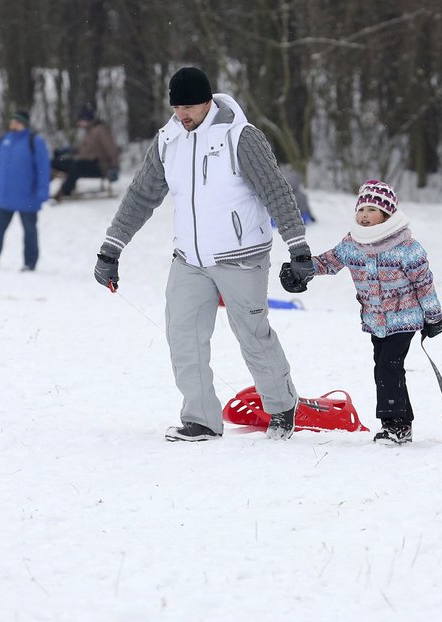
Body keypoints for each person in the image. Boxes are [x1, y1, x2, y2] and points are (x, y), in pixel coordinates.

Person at [93, 66, 314, 442]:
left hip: (241, 256)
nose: (182, 114)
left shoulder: (240, 136)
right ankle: (201, 420)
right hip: (190, 259)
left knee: (252, 334)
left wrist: (298, 248)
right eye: (177, 107)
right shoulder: (168, 140)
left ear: (208, 102)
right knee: (183, 336)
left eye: (190, 106)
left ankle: (281, 407)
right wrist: (111, 248)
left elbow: (277, 191)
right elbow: (142, 195)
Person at [282, 179, 442, 445]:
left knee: (388, 368)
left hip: (404, 319)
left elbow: (424, 284)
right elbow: (329, 262)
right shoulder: (353, 243)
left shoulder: (406, 247)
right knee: (385, 369)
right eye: (361, 210)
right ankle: (401, 423)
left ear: (386, 214)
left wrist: (434, 317)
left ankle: (395, 425)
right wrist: (301, 269)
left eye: (372, 210)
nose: (365, 216)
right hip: (375, 321)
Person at [0, 110, 51, 271]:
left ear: (24, 123)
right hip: (4, 195)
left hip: (28, 196)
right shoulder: (4, 140)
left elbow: (43, 168)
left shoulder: (35, 141)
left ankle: (30, 263)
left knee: (29, 231)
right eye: (12, 121)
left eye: (17, 122)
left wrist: (43, 191)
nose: (13, 124)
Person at [52, 103, 120, 200]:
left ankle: (64, 191)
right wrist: (69, 150)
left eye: (80, 120)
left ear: (86, 119)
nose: (79, 123)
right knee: (57, 162)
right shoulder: (89, 130)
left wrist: (114, 167)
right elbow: (84, 149)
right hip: (85, 162)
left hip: (99, 166)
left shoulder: (101, 130)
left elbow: (111, 149)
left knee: (75, 165)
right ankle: (39, 188)